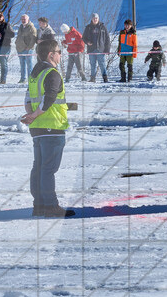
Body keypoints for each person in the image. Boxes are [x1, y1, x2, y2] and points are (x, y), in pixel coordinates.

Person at [20, 38, 74, 218]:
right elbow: (49, 98)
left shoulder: (35, 74)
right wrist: (34, 115)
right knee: (48, 169)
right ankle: (51, 206)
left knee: (39, 168)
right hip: (52, 126)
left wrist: (31, 115)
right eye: (59, 52)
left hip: (38, 129)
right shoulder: (52, 73)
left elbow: (28, 99)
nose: (60, 55)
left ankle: (40, 205)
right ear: (51, 55)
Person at [82, 13, 110, 83]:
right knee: (93, 65)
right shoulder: (88, 27)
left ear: (98, 19)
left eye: (96, 18)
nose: (95, 19)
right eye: (94, 18)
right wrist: (87, 42)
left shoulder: (102, 27)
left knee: (102, 64)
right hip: (91, 49)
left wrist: (107, 49)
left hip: (100, 49)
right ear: (91, 19)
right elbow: (83, 38)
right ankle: (92, 78)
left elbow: (107, 38)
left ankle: (105, 78)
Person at [15, 14, 37, 83]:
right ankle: (23, 79)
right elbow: (18, 36)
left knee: (29, 65)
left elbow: (33, 38)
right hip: (20, 48)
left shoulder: (31, 27)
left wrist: (29, 47)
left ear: (28, 19)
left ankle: (30, 79)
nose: (23, 20)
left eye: (24, 19)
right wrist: (16, 44)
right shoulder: (21, 27)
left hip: (28, 49)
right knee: (22, 65)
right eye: (22, 19)